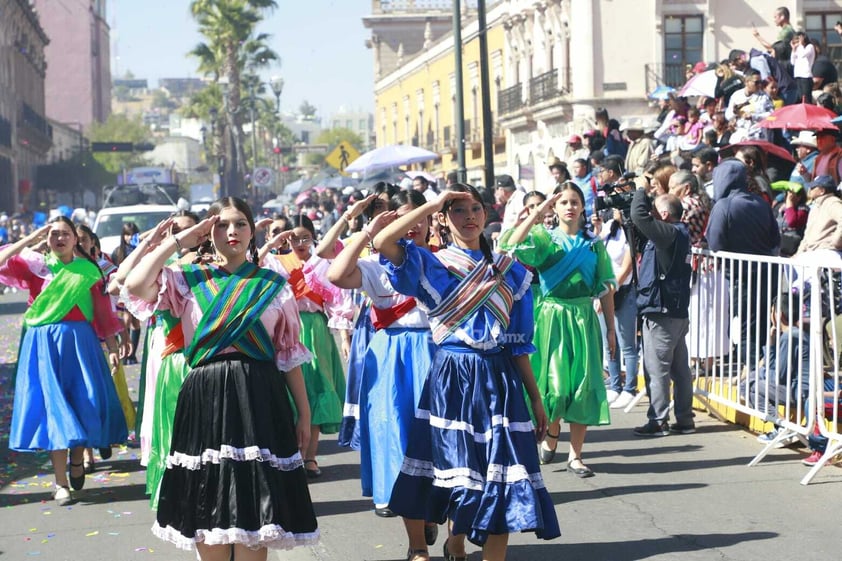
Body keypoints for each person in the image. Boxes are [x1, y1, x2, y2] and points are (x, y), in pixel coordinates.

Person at [124, 197, 318, 559]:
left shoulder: (273, 284)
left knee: (254, 514)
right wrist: (180, 241)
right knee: (206, 506)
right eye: (221, 224)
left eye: (241, 223)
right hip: (205, 396)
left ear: (252, 230)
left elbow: (288, 356)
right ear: (207, 232)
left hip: (259, 396)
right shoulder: (187, 280)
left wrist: (304, 414)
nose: (232, 232)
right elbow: (135, 285)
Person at [374, 184, 560, 561]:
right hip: (452, 379)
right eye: (459, 210)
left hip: (499, 379)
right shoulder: (432, 264)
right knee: (460, 479)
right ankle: (455, 538)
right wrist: (434, 202)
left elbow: (518, 343)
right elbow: (382, 242)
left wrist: (535, 397)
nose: (471, 216)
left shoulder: (510, 271)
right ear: (443, 218)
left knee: (503, 478)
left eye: (476, 208)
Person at [326, 189, 438, 559]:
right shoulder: (375, 266)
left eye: (419, 216)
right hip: (392, 356)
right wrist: (367, 232)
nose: (413, 226)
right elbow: (337, 274)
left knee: (445, 444)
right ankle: (417, 544)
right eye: (402, 218)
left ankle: (451, 533)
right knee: (401, 443)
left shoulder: (445, 261)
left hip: (439, 354)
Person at [0, 217, 126, 505]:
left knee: (84, 403)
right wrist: (29, 239)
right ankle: (60, 483)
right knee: (54, 409)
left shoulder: (88, 271)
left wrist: (112, 346)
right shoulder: (36, 267)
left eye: (65, 234)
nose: (59, 238)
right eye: (53, 234)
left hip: (80, 343)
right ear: (47, 239)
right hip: (43, 344)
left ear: (75, 239)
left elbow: (103, 312)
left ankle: (78, 460)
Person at [500, 182, 616, 476]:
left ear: (582, 206)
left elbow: (605, 288)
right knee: (556, 387)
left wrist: (611, 329)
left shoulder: (593, 244)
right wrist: (537, 211)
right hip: (551, 318)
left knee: (582, 388)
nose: (569, 206)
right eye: (563, 202)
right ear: (555, 206)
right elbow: (509, 244)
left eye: (574, 201)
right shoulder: (544, 240)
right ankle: (552, 430)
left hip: (584, 318)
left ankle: (576, 456)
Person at [261, 214, 353, 478]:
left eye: (305, 237)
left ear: (313, 238)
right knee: (288, 395)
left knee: (315, 390)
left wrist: (344, 337)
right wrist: (269, 244)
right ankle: (290, 454)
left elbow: (339, 300)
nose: (300, 243)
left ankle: (310, 457)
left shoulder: (324, 263)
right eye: (293, 237)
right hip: (284, 329)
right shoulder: (275, 263)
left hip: (315, 329)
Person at [630, 191, 695, 436]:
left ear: (665, 214)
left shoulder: (669, 233)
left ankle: (658, 420)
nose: (651, 215)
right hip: (674, 310)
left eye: (655, 210)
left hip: (662, 311)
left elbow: (639, 216)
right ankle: (685, 419)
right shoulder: (677, 233)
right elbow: (639, 224)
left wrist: (640, 190)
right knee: (679, 369)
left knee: (656, 369)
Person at [706, 159, 780, 370]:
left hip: (740, 277)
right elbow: (776, 240)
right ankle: (762, 370)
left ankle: (755, 376)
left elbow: (715, 243)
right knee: (763, 324)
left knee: (744, 327)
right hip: (767, 274)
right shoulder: (761, 203)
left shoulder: (723, 206)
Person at [742, 290, 810, 445]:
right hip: (795, 387)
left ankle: (783, 427)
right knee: (751, 381)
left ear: (778, 315)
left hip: (799, 391)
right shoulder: (791, 334)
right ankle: (782, 427)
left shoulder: (790, 337)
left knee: (750, 386)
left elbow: (778, 376)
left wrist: (761, 372)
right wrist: (771, 342)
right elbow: (775, 368)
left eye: (771, 311)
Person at [592, 208, 638, 410]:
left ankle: (629, 388)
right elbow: (595, 253)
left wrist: (612, 288)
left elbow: (628, 265)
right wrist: (597, 228)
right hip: (604, 291)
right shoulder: (609, 228)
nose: (615, 211)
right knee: (607, 341)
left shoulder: (631, 230)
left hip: (623, 289)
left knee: (627, 342)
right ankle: (614, 385)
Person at [111, 222, 142, 365]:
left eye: (132, 234)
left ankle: (132, 354)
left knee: (135, 321)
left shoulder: (140, 249)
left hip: (137, 287)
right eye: (127, 234)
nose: (129, 238)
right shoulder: (118, 252)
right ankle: (124, 351)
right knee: (126, 319)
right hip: (123, 289)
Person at [796, 175, 842, 255]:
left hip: (827, 254)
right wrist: (798, 254)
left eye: (813, 187)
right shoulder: (815, 206)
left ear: (822, 191)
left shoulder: (833, 203)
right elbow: (807, 235)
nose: (809, 189)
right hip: (811, 253)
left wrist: (836, 242)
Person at [790, 31, 816, 104]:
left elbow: (803, 55)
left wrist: (801, 45)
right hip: (798, 76)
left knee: (806, 99)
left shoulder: (809, 47)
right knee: (799, 98)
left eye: (798, 40)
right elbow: (792, 62)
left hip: (806, 76)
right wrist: (793, 49)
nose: (796, 43)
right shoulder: (798, 49)